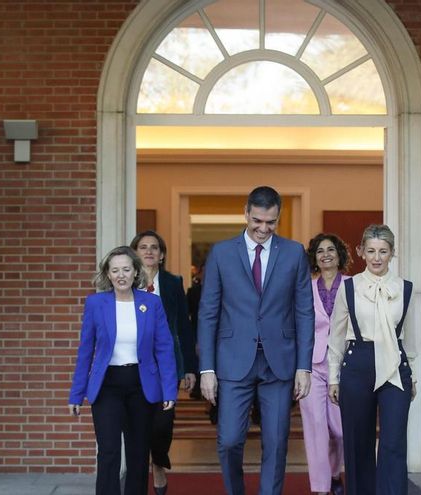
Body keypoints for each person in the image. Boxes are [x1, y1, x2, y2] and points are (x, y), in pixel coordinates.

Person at [198, 185, 315, 495]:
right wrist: (206, 369)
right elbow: (208, 314)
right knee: (229, 441)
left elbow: (304, 312)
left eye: (271, 222)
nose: (264, 229)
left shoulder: (293, 253)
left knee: (276, 443)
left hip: (279, 363)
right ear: (246, 214)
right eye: (258, 221)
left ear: (279, 218)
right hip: (233, 362)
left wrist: (304, 366)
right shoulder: (221, 253)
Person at [69, 246, 178, 495]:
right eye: (115, 270)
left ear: (135, 272)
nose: (121, 275)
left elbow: (164, 349)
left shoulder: (151, 303)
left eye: (126, 269)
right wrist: (76, 394)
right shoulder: (96, 303)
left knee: (138, 452)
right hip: (107, 384)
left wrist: (169, 390)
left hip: (142, 385)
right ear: (107, 274)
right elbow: (86, 351)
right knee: (108, 451)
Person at [328, 225, 416, 495]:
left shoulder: (405, 289)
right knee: (358, 443)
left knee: (393, 443)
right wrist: (333, 377)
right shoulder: (349, 288)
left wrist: (411, 376)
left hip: (394, 366)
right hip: (357, 364)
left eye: (383, 251)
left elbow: (408, 339)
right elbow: (336, 336)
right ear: (361, 252)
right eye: (371, 251)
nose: (377, 258)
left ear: (392, 253)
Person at [130, 231, 198, 495]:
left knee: (162, 423)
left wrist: (189, 367)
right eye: (143, 247)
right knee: (137, 424)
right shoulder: (125, 281)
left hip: (164, 366)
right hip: (131, 364)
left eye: (154, 247)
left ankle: (158, 461)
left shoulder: (171, 283)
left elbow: (184, 325)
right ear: (134, 253)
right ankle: (138, 477)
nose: (149, 251)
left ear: (162, 255)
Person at [301, 233, 351, 495]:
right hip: (313, 365)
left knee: (342, 430)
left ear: (339, 254)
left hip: (346, 365)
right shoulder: (305, 288)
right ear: (314, 258)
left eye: (331, 249)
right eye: (320, 251)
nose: (325, 255)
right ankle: (320, 487)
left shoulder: (354, 285)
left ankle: (333, 472)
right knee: (315, 429)